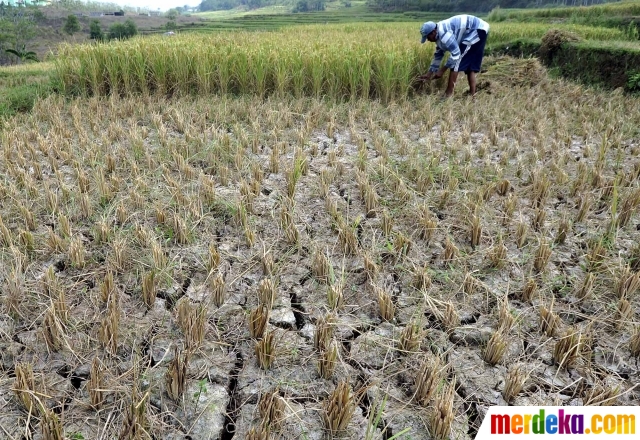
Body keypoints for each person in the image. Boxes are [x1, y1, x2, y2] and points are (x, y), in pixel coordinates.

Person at [418, 15, 490, 98]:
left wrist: (442, 70)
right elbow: (438, 55)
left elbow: (456, 54)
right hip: (474, 30)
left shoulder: (444, 34)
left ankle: (448, 94)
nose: (428, 39)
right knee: (469, 67)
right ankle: (472, 96)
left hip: (477, 29)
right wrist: (429, 74)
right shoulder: (438, 36)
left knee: (456, 63)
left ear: (433, 32)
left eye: (427, 37)